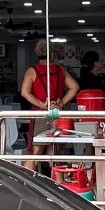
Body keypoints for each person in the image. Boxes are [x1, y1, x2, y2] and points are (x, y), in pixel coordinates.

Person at [20, 39, 79, 171]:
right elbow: (74, 87)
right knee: (53, 155)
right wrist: (62, 102)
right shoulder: (60, 70)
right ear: (52, 54)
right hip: (57, 114)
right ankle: (55, 185)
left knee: (34, 156)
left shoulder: (32, 71)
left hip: (40, 114)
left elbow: (24, 92)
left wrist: (41, 103)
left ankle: (26, 186)